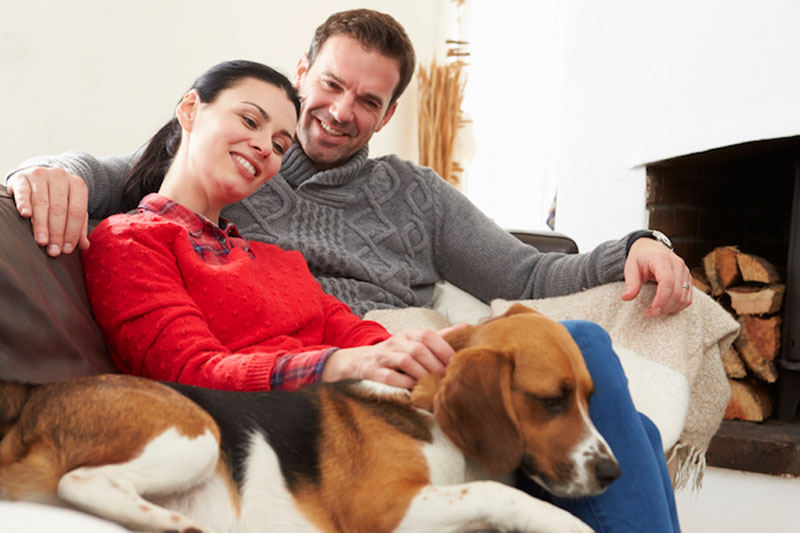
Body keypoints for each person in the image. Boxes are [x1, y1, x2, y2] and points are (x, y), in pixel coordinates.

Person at [5, 9, 683, 532]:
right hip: (315, 402)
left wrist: (635, 244)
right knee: (603, 393)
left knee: (622, 413)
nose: (338, 111)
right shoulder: (165, 216)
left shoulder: (330, 230)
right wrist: (45, 171)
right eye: (330, 85)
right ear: (303, 73)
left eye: (367, 100)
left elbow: (522, 274)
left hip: (373, 370)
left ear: (388, 115)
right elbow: (121, 178)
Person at [81, 59, 458, 392]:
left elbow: (352, 331)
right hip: (262, 430)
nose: (264, 147)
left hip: (354, 409)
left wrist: (410, 356)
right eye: (250, 121)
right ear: (191, 109)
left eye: (280, 146)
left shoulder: (276, 260)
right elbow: (189, 372)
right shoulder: (131, 242)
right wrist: (340, 364)